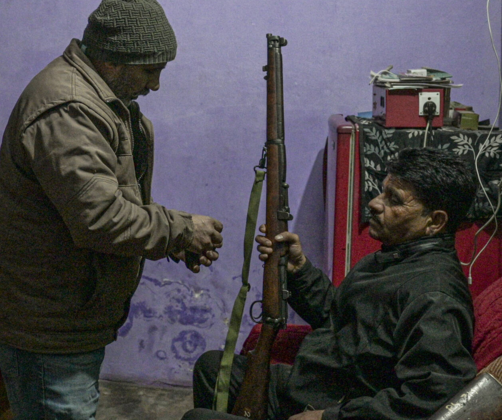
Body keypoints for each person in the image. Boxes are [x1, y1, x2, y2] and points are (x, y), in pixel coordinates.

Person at [0, 0, 226, 420]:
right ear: (112, 61)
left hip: (62, 316)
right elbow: (100, 218)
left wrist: (172, 239)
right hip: (47, 327)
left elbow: (112, 199)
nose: (155, 84)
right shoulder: (69, 108)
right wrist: (181, 230)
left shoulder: (102, 101)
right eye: (150, 70)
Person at [186, 148, 479, 420]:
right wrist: (298, 270)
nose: (375, 203)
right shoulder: (394, 258)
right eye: (383, 192)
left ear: (435, 221)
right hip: (317, 386)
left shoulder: (434, 296)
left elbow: (434, 396)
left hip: (339, 405)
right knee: (213, 369)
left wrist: (329, 417)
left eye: (394, 200)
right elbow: (339, 317)